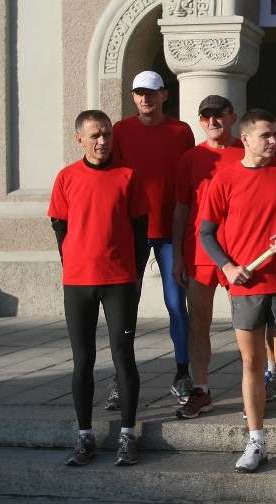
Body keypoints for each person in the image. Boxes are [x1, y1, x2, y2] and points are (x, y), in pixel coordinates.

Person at [199, 108, 276, 473]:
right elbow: (206, 232)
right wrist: (228, 266)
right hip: (246, 286)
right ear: (246, 138)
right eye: (265, 135)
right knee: (251, 364)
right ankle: (256, 441)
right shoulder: (224, 179)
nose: (272, 141)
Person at [48, 110, 149, 467]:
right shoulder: (66, 177)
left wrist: (133, 274)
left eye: (106, 134)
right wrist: (73, 262)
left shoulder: (128, 175)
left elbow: (141, 231)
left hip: (119, 281)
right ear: (80, 139)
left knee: (124, 356)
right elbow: (59, 225)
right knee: (82, 361)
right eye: (95, 135)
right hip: (78, 283)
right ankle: (85, 436)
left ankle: (126, 435)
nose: (103, 141)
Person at [111, 70, 195, 407]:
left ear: (164, 95)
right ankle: (122, 379)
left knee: (176, 305)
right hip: (133, 230)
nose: (145, 98)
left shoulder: (180, 131)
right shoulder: (120, 131)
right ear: (133, 97)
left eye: (152, 92)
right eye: (139, 93)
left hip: (170, 231)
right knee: (125, 306)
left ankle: (182, 373)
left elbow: (189, 181)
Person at [172, 95, 244, 419]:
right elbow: (181, 209)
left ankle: (254, 388)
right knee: (198, 324)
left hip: (239, 252)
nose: (212, 121)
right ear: (200, 121)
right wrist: (176, 257)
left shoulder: (247, 154)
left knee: (248, 324)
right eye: (206, 117)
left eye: (219, 115)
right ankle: (200, 389)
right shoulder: (190, 158)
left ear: (232, 117)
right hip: (199, 253)